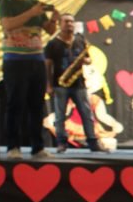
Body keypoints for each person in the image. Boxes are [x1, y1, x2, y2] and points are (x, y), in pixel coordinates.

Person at [0, 0, 58, 160]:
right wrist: (31, 12)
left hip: (36, 59)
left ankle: (37, 147)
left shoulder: (35, 4)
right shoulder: (6, 3)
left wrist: (54, 18)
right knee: (15, 104)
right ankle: (12, 147)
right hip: (15, 60)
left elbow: (50, 30)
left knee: (36, 105)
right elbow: (8, 25)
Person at [44, 13, 104, 153]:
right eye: (66, 21)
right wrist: (48, 85)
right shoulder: (52, 44)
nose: (69, 24)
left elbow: (88, 59)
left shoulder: (80, 40)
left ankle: (93, 142)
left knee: (87, 114)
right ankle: (61, 143)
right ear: (60, 24)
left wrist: (85, 60)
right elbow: (47, 65)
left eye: (71, 21)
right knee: (60, 116)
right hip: (60, 84)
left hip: (79, 84)